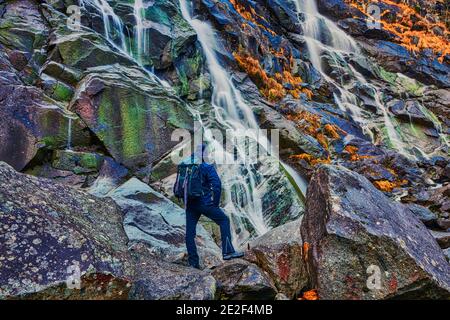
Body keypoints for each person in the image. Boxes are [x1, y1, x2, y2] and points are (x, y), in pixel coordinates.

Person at [180, 143, 244, 269]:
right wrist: (215, 203)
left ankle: (193, 263)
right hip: (205, 203)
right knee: (224, 220)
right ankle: (228, 252)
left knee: (190, 233)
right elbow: (216, 185)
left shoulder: (186, 165)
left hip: (190, 204)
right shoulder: (207, 166)